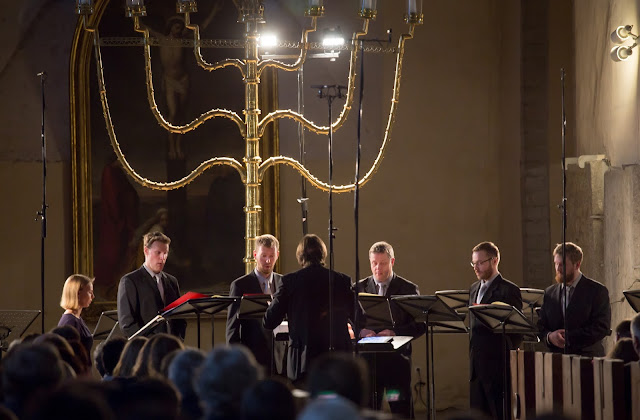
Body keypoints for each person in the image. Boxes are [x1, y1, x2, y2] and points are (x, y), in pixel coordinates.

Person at [263, 234, 354, 385]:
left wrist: (272, 305)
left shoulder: (289, 282)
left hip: (303, 360)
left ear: (300, 255)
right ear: (322, 254)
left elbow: (269, 321)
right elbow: (360, 317)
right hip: (338, 359)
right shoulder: (342, 280)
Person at [357, 241, 424, 418]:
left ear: (392, 262)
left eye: (383, 263)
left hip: (397, 362)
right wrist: (361, 332)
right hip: (368, 362)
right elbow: (350, 322)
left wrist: (395, 332)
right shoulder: (359, 288)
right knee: (369, 411)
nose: (378, 268)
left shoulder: (407, 289)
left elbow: (420, 325)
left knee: (400, 409)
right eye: (374, 263)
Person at [468, 241, 522, 420]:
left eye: (480, 262)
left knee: (499, 414)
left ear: (495, 260)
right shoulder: (474, 289)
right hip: (476, 365)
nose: (476, 267)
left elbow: (516, 330)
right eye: (473, 263)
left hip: (498, 365)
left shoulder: (509, 290)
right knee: (478, 414)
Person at [537, 242, 611, 357]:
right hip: (557, 360)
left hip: (588, 359)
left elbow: (601, 327)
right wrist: (549, 337)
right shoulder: (549, 293)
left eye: (562, 264)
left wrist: (569, 337)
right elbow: (541, 326)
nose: (558, 269)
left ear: (577, 265)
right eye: (556, 264)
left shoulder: (597, 291)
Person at [226, 234, 285, 372]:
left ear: (277, 255)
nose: (268, 260)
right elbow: (232, 326)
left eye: (271, 256)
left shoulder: (283, 282)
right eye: (263, 255)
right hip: (252, 354)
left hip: (279, 354)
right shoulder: (240, 285)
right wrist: (234, 358)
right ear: (255, 255)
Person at [117, 231, 187, 339]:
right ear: (146, 251)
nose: (162, 258)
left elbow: (179, 318)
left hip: (171, 349)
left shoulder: (172, 281)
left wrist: (177, 340)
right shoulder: (130, 281)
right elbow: (127, 325)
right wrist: (149, 346)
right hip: (145, 350)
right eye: (158, 252)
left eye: (165, 253)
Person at [57, 274, 95, 358]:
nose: (93, 296)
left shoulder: (77, 318)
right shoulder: (70, 322)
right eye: (90, 292)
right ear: (77, 293)